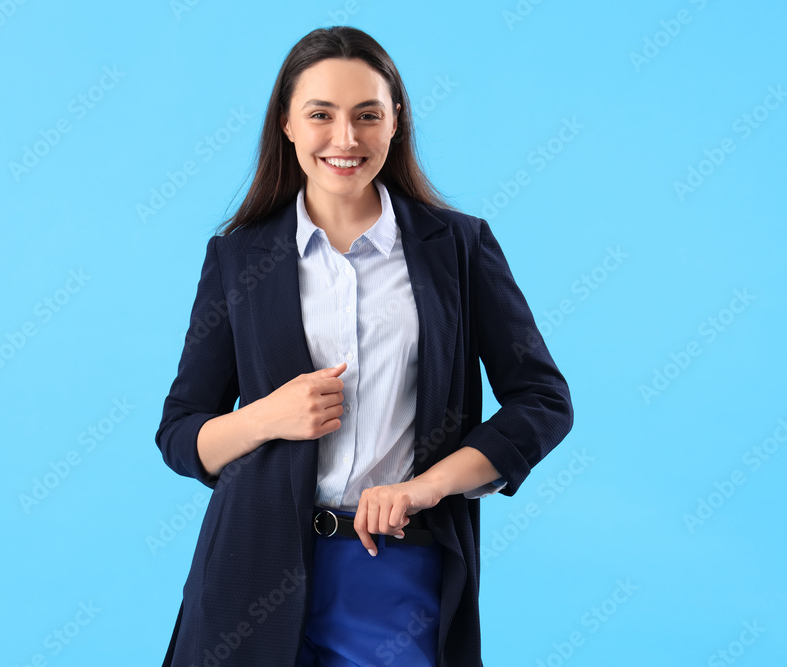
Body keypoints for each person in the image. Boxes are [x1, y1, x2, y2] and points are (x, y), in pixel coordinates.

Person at [155, 25, 573, 666]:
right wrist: (268, 416)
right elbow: (181, 435)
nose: (345, 139)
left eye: (367, 115)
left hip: (399, 571)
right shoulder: (237, 259)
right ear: (287, 124)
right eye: (320, 114)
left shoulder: (457, 249)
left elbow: (542, 402)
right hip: (248, 576)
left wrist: (426, 487)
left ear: (396, 122)